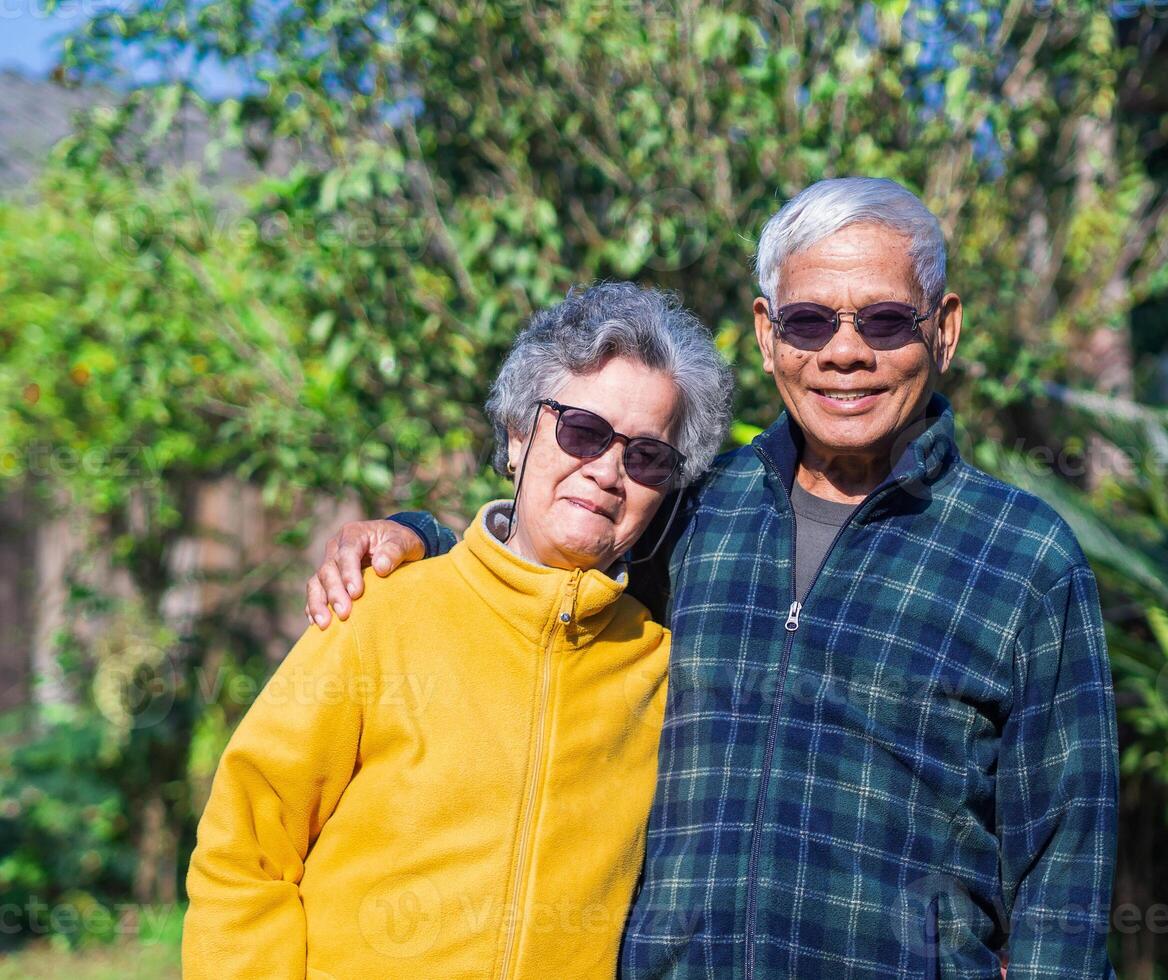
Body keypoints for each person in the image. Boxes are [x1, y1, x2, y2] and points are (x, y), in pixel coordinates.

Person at [308, 177, 1120, 978]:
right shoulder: (690, 506)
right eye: (808, 322)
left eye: (884, 320)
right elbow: (540, 574)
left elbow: (1066, 870)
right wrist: (416, 538)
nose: (844, 351)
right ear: (768, 336)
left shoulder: (1023, 558)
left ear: (942, 331)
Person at [183, 282, 732, 978]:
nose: (607, 471)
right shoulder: (379, 612)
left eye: (646, 456)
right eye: (583, 432)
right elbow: (246, 852)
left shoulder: (660, 674)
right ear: (518, 434)